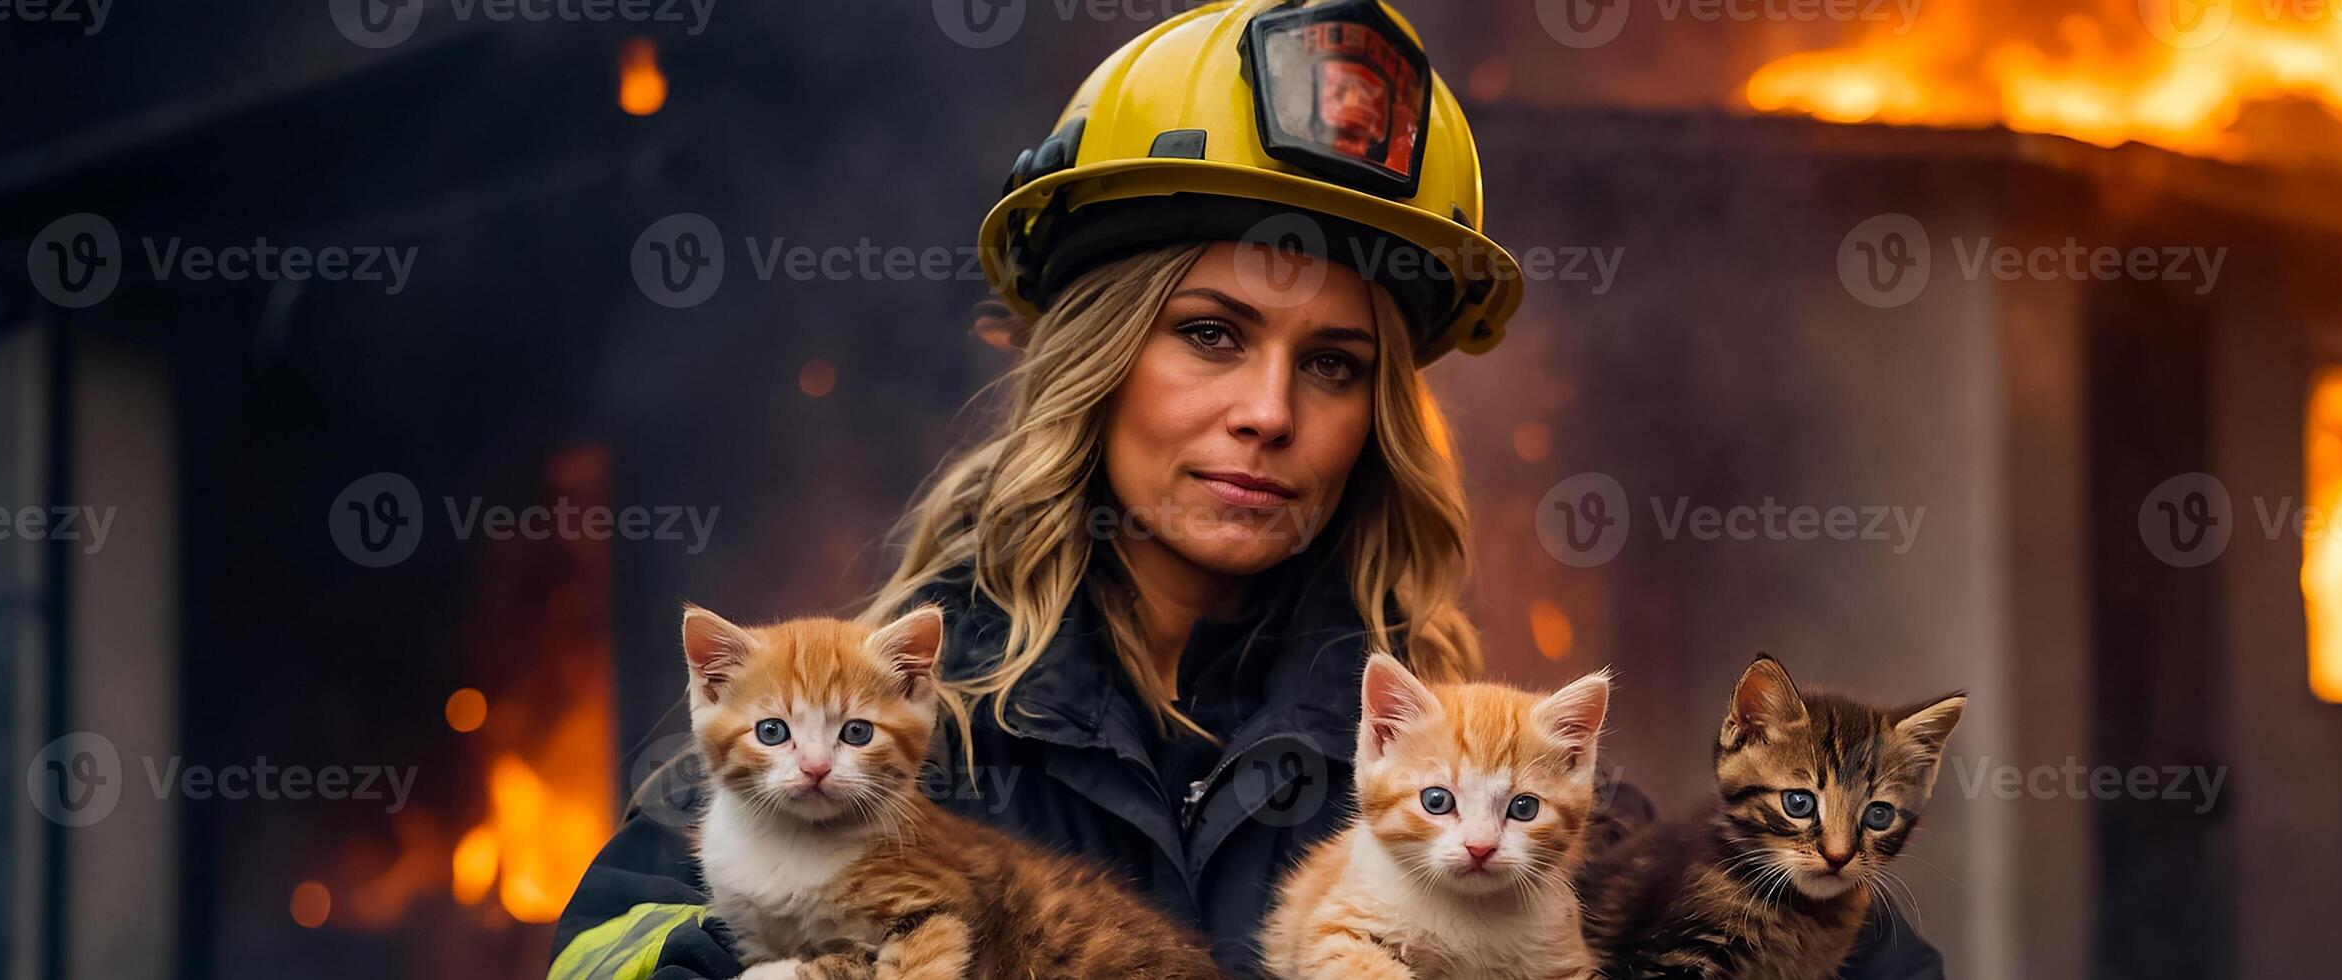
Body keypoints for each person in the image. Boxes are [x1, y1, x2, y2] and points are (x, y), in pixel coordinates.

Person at [547, 2, 1946, 977]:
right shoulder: (858, 743)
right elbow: (622, 954)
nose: (1269, 413)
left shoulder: (1458, 785)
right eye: (1210, 334)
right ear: (1098, 358)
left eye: (1334, 365)